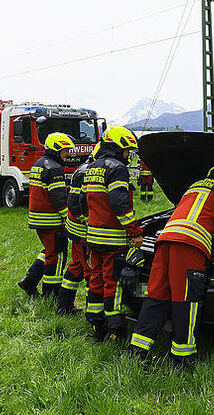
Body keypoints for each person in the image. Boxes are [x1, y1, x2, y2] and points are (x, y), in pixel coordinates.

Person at [127, 163, 214, 368]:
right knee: (186, 301)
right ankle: (182, 359)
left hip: (164, 241)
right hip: (189, 245)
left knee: (157, 296)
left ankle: (136, 351)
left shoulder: (194, 187)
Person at [83, 125, 143, 342]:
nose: (128, 156)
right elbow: (120, 203)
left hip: (93, 237)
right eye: (127, 151)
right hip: (113, 240)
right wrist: (135, 232)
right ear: (119, 147)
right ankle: (116, 331)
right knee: (113, 284)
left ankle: (96, 328)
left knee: (96, 280)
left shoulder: (92, 167)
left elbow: (82, 201)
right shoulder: (117, 168)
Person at [16, 132, 74, 300]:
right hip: (52, 221)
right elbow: (58, 198)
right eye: (65, 151)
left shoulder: (38, 164)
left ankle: (29, 281)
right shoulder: (54, 168)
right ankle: (51, 294)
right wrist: (67, 218)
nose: (68, 154)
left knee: (48, 251)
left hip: (38, 220)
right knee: (57, 255)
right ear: (56, 150)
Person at [56, 144, 100, 315]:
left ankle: (64, 306)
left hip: (78, 231)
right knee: (90, 270)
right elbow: (76, 203)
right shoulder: (86, 172)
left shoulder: (85, 168)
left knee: (77, 266)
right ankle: (94, 313)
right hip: (82, 232)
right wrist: (89, 223)